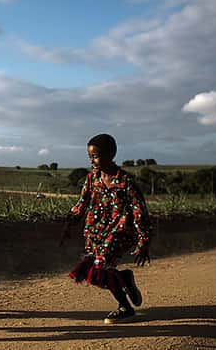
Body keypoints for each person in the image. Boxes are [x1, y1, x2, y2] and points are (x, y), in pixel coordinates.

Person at [60, 133, 151, 324]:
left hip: (119, 232)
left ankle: (125, 307)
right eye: (90, 156)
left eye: (96, 155)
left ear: (111, 154)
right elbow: (81, 204)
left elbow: (139, 213)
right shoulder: (92, 179)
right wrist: (70, 223)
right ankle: (124, 278)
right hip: (96, 232)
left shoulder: (126, 183)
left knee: (101, 265)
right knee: (96, 270)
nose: (93, 160)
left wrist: (144, 240)